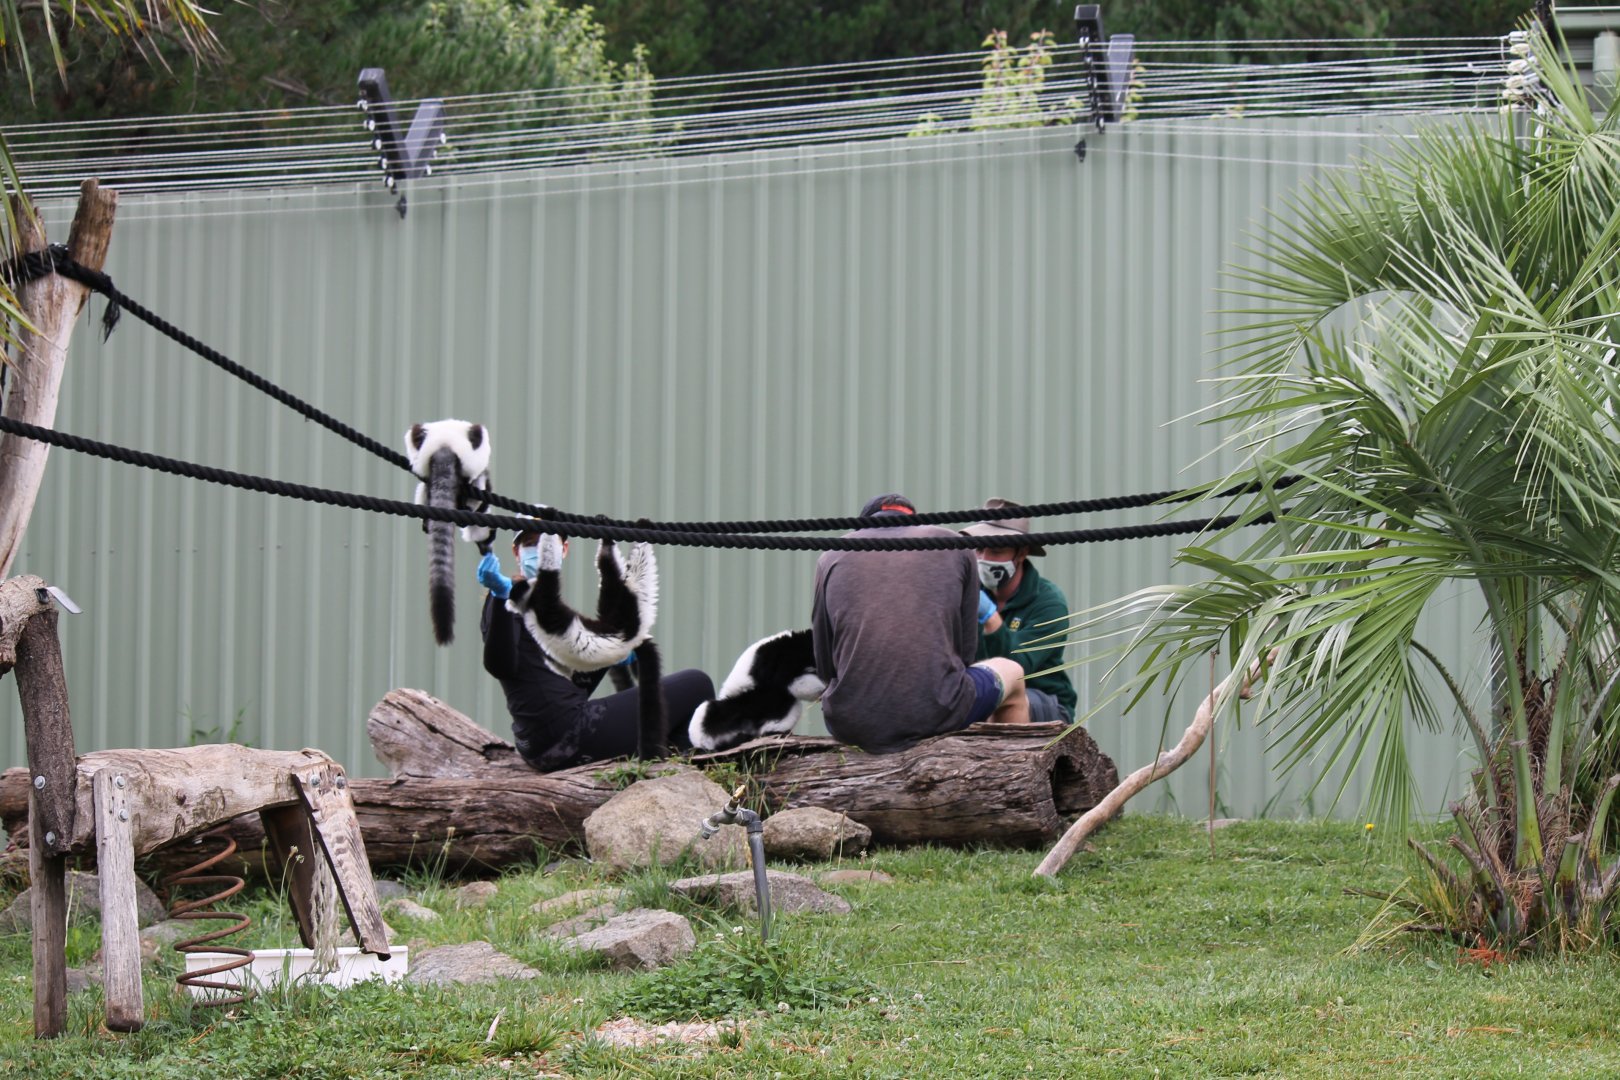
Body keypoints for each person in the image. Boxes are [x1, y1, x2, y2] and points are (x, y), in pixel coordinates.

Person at [475, 530, 713, 771]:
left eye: (545, 543)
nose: (538, 551)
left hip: (540, 744)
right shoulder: (506, 603)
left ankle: (675, 769)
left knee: (669, 716)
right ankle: (694, 772)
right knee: (698, 683)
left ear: (563, 550)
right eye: (529, 544)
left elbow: (554, 685)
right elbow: (501, 664)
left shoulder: (543, 610)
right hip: (568, 734)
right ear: (516, 552)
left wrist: (605, 658)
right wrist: (499, 595)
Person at [811, 493, 1029, 753]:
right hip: (935, 710)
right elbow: (965, 653)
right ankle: (1010, 774)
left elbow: (825, 666)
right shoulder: (953, 544)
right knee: (1012, 672)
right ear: (913, 520)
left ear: (863, 528)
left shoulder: (831, 556)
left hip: (850, 723)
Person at [962, 498, 1078, 725]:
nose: (984, 559)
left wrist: (991, 620)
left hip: (1045, 701)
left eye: (995, 551)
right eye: (978, 549)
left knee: (1002, 697)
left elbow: (1016, 668)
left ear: (1022, 553)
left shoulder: (1049, 602)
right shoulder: (968, 592)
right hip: (980, 694)